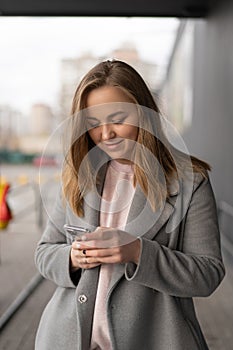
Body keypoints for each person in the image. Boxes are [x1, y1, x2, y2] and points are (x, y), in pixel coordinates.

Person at [35, 59, 225, 350]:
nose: (106, 134)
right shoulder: (78, 176)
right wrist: (73, 259)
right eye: (93, 124)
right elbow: (45, 252)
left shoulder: (190, 182)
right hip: (67, 339)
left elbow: (207, 274)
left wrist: (138, 251)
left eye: (118, 119)